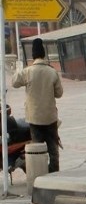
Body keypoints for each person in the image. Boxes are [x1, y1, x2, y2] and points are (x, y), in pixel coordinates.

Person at [12, 38, 63, 173]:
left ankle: (39, 174)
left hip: (34, 119)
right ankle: (54, 175)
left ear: (33, 55)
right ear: (44, 54)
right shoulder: (52, 72)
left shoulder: (28, 72)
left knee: (37, 150)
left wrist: (20, 68)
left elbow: (14, 82)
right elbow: (59, 93)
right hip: (50, 118)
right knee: (53, 151)